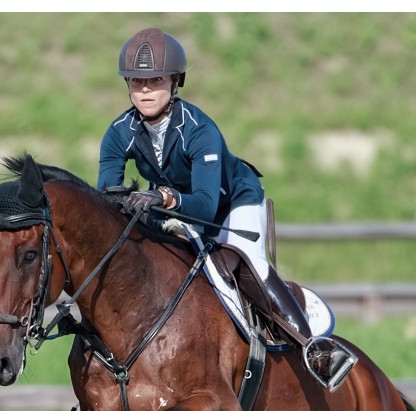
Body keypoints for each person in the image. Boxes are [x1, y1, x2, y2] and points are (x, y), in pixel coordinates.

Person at [97, 27, 355, 391]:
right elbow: (105, 194)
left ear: (175, 82)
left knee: (248, 261)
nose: (145, 90)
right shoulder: (119, 132)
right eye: (136, 81)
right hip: (172, 209)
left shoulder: (200, 130)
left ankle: (315, 348)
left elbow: (204, 204)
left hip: (231, 204)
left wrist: (163, 198)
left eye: (155, 80)